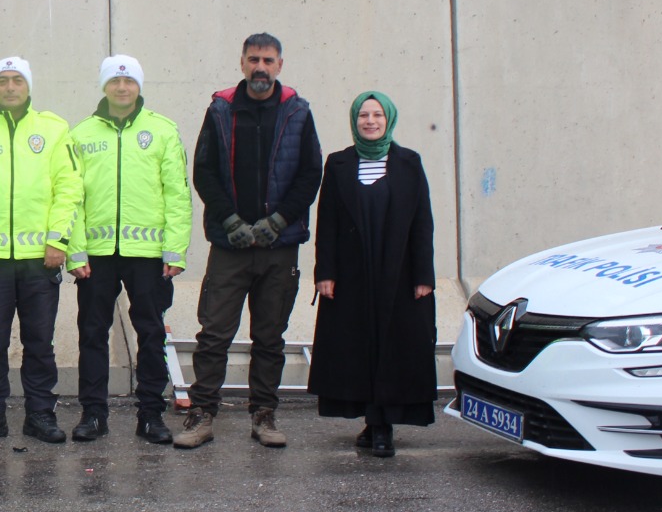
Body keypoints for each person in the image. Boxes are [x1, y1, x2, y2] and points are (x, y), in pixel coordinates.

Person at [176, 34, 322, 450]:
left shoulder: (296, 111)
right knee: (214, 334)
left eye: (268, 60)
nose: (261, 66)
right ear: (241, 63)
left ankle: (264, 414)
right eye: (254, 59)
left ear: (280, 65)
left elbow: (311, 173)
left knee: (269, 336)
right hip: (230, 247)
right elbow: (204, 172)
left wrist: (278, 220)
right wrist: (230, 220)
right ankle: (201, 414)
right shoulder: (221, 109)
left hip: (280, 247)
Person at [0, 57, 82, 444]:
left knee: (39, 341)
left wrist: (58, 240)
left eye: (17, 80)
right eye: (3, 81)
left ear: (29, 86)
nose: (10, 87)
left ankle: (40, 415)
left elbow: (68, 188)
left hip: (40, 259)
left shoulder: (54, 130)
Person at [66, 56, 190, 444]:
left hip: (149, 254)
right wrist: (75, 252)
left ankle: (151, 415)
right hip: (97, 254)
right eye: (115, 82)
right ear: (104, 86)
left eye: (129, 81)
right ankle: (93, 414)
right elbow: (71, 198)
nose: (122, 88)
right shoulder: (81, 133)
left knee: (151, 333)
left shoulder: (163, 130)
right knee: (92, 333)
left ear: (138, 85)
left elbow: (178, 194)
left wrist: (175, 250)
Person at [308, 92, 437, 458]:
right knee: (358, 347)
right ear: (354, 121)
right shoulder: (338, 164)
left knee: (393, 346)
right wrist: (325, 274)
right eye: (363, 115)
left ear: (388, 119)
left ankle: (383, 428)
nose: (370, 121)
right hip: (352, 275)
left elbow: (422, 223)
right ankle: (370, 420)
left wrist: (424, 275)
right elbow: (327, 223)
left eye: (377, 115)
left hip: (398, 272)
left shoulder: (409, 163)